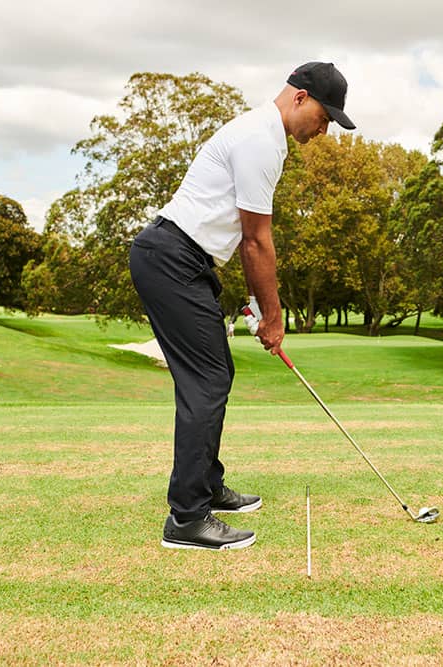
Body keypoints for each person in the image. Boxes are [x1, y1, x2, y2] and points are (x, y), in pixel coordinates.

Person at [129, 62, 355, 550]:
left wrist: (254, 304)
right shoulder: (261, 140)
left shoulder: (262, 135)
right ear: (299, 98)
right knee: (207, 380)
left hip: (183, 260)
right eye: (324, 115)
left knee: (215, 374)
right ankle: (187, 518)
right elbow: (256, 241)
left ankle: (207, 486)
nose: (324, 128)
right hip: (171, 257)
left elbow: (239, 237)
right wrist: (273, 317)